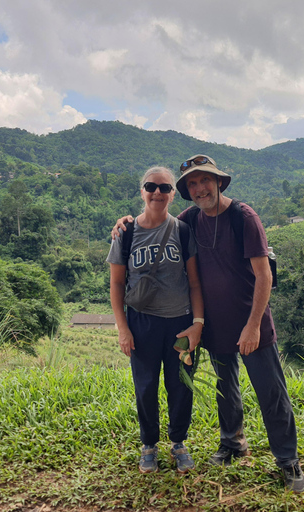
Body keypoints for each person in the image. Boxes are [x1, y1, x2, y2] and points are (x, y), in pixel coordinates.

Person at [112, 155, 304, 492]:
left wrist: (253, 325)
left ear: (219, 182)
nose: (200, 188)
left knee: (271, 392)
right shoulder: (190, 219)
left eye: (206, 180)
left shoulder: (243, 217)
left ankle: (288, 462)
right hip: (214, 325)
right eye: (193, 183)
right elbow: (160, 220)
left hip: (251, 324)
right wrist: (124, 222)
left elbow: (264, 275)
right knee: (225, 387)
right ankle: (232, 443)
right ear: (187, 191)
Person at [106, 166, 204, 474]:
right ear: (142, 191)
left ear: (173, 194)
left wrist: (198, 323)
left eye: (164, 188)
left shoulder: (183, 230)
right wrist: (123, 329)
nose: (157, 193)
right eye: (151, 187)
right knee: (145, 386)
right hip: (142, 323)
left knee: (181, 386)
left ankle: (178, 443)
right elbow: (117, 285)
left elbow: (194, 283)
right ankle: (149, 445)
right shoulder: (126, 232)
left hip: (180, 323)